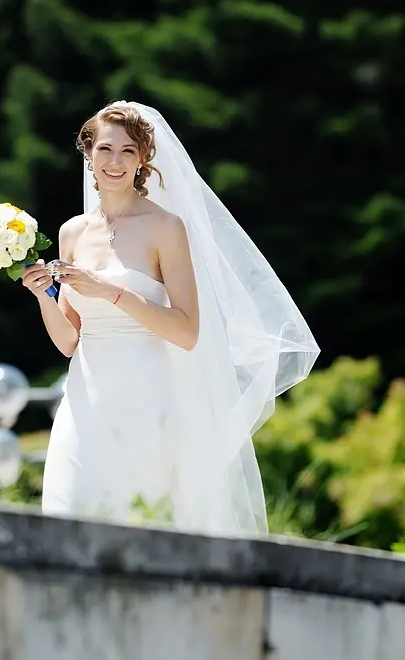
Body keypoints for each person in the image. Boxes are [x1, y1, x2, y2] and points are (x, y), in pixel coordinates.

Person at [21, 101, 320, 536]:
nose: (115, 161)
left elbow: (186, 331)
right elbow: (69, 342)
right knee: (65, 517)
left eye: (127, 150)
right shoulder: (72, 232)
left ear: (143, 158)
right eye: (105, 149)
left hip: (148, 401)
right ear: (88, 154)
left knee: (138, 525)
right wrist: (43, 296)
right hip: (83, 403)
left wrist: (110, 291)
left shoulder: (165, 227)